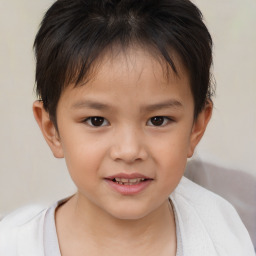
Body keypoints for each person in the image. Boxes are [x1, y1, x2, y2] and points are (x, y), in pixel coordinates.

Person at [0, 0, 254, 255]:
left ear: (196, 127)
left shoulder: (220, 234)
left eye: (158, 120)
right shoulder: (13, 245)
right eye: (96, 121)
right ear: (51, 128)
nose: (129, 151)